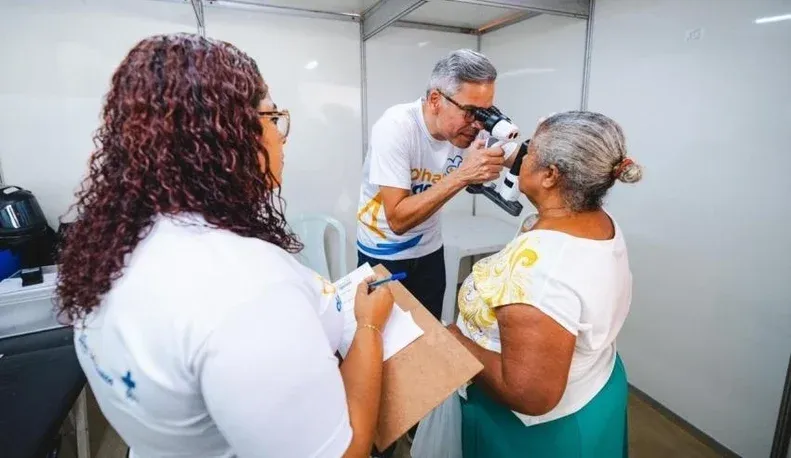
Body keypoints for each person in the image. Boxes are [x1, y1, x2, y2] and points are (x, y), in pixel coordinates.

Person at [56, 33, 394, 458]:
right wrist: (369, 326)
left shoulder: (111, 244)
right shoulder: (247, 289)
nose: (281, 136)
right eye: (272, 117)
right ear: (228, 134)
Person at [446, 111, 642, 457]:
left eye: (530, 150)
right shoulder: (597, 220)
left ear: (551, 175)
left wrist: (458, 340)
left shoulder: (540, 274)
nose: (520, 153)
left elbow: (531, 396)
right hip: (595, 389)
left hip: (532, 432)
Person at [356, 49, 514, 321]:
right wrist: (463, 175)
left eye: (486, 113)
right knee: (385, 342)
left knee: (430, 336)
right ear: (435, 100)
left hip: (430, 250)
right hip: (384, 252)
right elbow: (398, 219)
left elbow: (519, 158)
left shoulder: (471, 129)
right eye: (471, 112)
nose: (478, 124)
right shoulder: (396, 128)